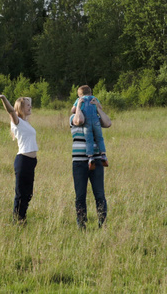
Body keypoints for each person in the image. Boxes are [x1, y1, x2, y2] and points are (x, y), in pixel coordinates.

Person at [0, 95, 38, 225]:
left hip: (30, 162)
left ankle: (22, 219)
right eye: (28, 105)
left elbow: (28, 100)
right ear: (21, 107)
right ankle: (16, 220)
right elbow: (11, 111)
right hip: (23, 161)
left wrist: (27, 100)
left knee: (28, 194)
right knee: (21, 193)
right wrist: (3, 98)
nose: (31, 107)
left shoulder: (25, 121)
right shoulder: (16, 121)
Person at [71, 96, 111, 230]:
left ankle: (102, 223)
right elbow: (80, 120)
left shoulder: (95, 118)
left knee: (99, 194)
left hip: (96, 161)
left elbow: (108, 123)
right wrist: (79, 107)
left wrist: (98, 109)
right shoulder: (73, 118)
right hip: (79, 163)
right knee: (80, 195)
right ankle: (82, 224)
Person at [71, 85, 108, 170]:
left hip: (86, 122)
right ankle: (103, 155)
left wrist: (78, 105)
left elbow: (73, 110)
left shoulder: (79, 100)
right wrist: (96, 104)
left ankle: (90, 157)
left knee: (89, 140)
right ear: (90, 92)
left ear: (80, 94)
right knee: (100, 138)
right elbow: (100, 108)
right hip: (96, 121)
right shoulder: (94, 99)